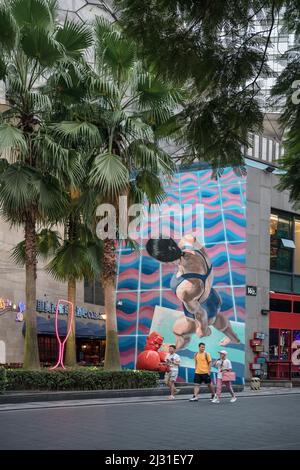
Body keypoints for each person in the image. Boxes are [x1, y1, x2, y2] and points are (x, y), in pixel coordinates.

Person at [146, 234, 241, 351]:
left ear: (162, 260)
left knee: (178, 331)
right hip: (213, 298)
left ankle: (175, 349)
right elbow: (190, 237)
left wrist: (203, 329)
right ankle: (234, 339)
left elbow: (201, 314)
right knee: (218, 318)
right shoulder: (193, 247)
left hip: (202, 310)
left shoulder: (185, 289)